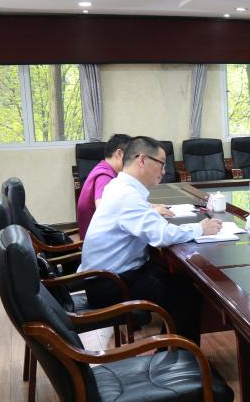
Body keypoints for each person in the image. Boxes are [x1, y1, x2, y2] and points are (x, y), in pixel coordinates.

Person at [79, 136, 222, 342]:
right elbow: (161, 235)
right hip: (110, 283)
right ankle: (178, 357)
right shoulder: (126, 194)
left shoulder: (119, 185)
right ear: (142, 160)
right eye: (161, 164)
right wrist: (200, 228)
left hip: (108, 275)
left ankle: (171, 350)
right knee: (186, 294)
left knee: (181, 279)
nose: (164, 171)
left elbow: (143, 219)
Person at [77, 133, 130, 238]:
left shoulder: (104, 168)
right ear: (119, 154)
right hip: (99, 240)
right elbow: (103, 209)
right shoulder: (104, 177)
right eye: (131, 156)